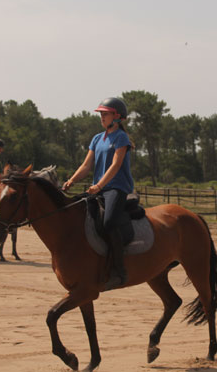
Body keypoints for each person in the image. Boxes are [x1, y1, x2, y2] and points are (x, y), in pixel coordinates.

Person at [62, 97, 134, 290]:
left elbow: (116, 165)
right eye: (101, 114)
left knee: (109, 222)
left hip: (116, 188)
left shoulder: (121, 138)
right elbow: (86, 165)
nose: (101, 117)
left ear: (117, 117)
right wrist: (72, 180)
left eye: (105, 113)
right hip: (99, 189)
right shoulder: (97, 138)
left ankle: (119, 270)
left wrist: (100, 186)